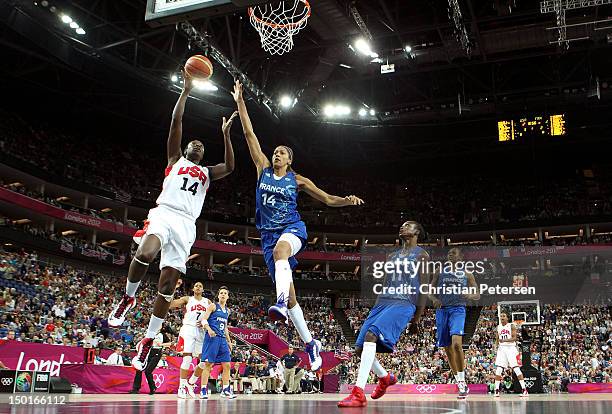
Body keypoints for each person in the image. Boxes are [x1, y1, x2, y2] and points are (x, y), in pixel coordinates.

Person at [107, 68, 238, 371]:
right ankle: (128, 298)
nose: (198, 146)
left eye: (202, 147)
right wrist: (186, 90)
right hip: (164, 214)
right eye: (194, 144)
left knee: (167, 286)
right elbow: (176, 121)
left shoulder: (206, 172)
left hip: (186, 225)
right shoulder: (174, 160)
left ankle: (148, 340)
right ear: (186, 149)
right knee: (144, 252)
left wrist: (227, 135)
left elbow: (230, 166)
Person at [231, 80, 364, 371]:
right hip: (267, 237)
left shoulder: (298, 180)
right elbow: (249, 133)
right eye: (275, 151)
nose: (276, 154)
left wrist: (347, 200)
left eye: (281, 152)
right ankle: (311, 344)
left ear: (290, 160)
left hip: (292, 229)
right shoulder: (262, 169)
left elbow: (328, 199)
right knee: (292, 300)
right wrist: (240, 101)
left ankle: (277, 300)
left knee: (281, 255)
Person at [338, 221, 428, 407]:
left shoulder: (422, 255)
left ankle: (358, 393)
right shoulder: (392, 255)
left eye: (408, 225)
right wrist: (375, 309)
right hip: (383, 303)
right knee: (360, 348)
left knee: (372, 336)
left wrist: (416, 319)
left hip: (404, 302)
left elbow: (424, 288)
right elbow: (386, 283)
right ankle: (385, 377)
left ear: (417, 232)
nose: (402, 227)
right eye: (401, 225)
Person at [429, 247, 480, 399]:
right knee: (447, 348)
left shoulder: (467, 274)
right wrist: (435, 299)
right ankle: (459, 382)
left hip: (458, 310)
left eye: (453, 253)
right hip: (442, 310)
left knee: (457, 344)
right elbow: (429, 291)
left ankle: (463, 381)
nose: (450, 255)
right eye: (449, 253)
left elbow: (477, 294)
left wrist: (469, 294)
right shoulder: (440, 271)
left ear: (461, 257)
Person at [192, 286, 236, 399]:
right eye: (221, 293)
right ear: (218, 295)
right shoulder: (213, 306)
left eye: (225, 293)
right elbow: (204, 320)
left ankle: (225, 389)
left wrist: (229, 341)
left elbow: (225, 327)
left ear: (228, 296)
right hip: (212, 338)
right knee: (208, 364)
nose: (223, 294)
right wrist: (209, 329)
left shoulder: (227, 310)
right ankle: (203, 390)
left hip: (222, 339)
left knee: (226, 365)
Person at [170, 280, 211, 398]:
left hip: (201, 331)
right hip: (188, 329)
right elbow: (171, 303)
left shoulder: (207, 302)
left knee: (204, 361)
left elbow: (213, 316)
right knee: (187, 359)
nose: (198, 287)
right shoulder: (187, 299)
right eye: (196, 286)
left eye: (200, 286)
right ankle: (181, 387)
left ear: (203, 290)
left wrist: (206, 323)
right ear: (193, 289)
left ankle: (190, 383)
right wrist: (174, 288)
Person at [493, 312, 529, 397]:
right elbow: (497, 338)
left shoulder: (511, 325)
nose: (502, 317)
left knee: (516, 369)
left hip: (511, 349)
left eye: (503, 316)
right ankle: (496, 390)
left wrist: (504, 341)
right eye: (501, 316)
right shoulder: (498, 327)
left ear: (507, 318)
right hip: (502, 349)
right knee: (498, 369)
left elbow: (514, 338)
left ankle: (524, 390)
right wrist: (495, 346)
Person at [130, 328, 171, 395]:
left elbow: (169, 343)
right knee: (139, 369)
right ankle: (135, 389)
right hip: (148, 352)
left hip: (156, 353)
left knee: (148, 371)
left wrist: (161, 345)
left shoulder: (162, 335)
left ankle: (152, 388)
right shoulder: (150, 333)